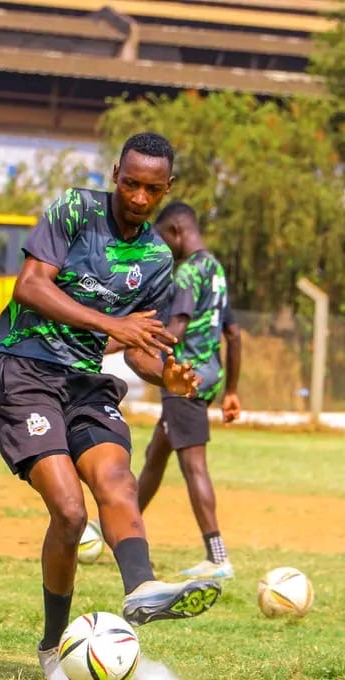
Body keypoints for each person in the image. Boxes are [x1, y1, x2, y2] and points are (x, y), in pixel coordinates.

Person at [0, 132, 222, 680]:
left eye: (152, 189)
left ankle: (141, 588)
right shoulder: (75, 210)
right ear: (115, 174)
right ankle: (52, 644)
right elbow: (30, 287)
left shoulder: (157, 260)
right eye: (130, 184)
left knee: (117, 479)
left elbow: (140, 347)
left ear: (168, 188)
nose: (138, 197)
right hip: (27, 367)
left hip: (86, 381)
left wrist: (168, 375)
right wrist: (112, 324)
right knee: (69, 513)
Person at [137, 201, 241, 579]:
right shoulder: (215, 270)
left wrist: (130, 340)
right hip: (210, 375)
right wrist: (231, 390)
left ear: (177, 231)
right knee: (155, 455)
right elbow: (234, 334)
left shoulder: (186, 274)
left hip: (185, 381)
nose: (162, 246)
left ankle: (217, 555)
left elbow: (176, 331)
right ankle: (119, 530)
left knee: (193, 465)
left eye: (163, 238)